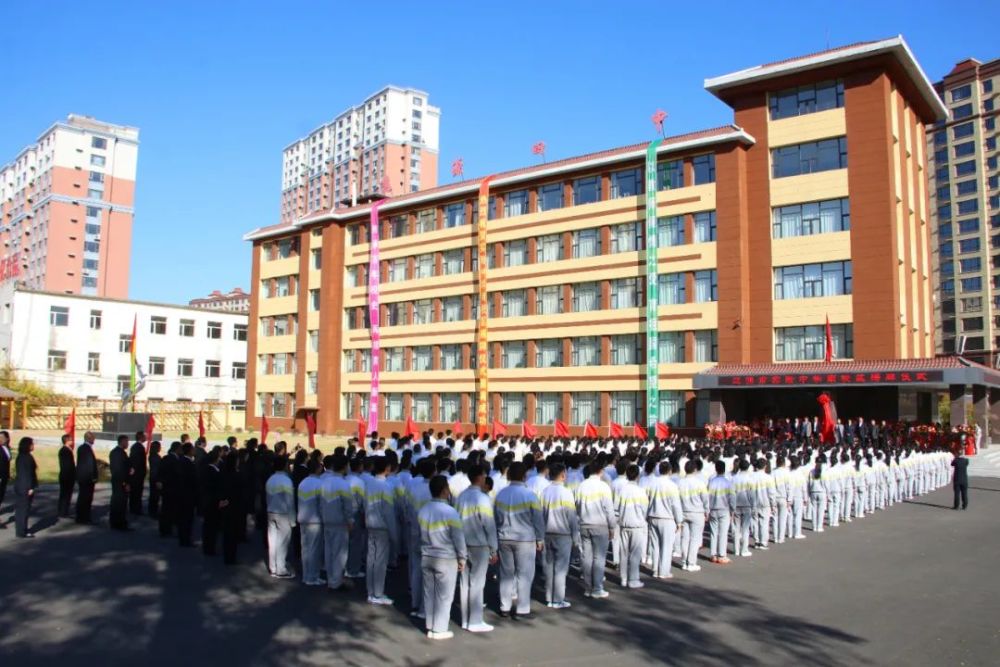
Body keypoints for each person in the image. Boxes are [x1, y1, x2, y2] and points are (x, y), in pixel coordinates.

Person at [418, 475, 467, 640]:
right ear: (445, 490)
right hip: (445, 557)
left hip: (426, 554)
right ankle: (440, 629)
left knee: (429, 593)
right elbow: (458, 537)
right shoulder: (450, 512)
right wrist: (462, 557)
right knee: (444, 596)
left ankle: (430, 625)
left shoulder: (423, 510)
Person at [495, 461, 545, 619]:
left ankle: (505, 606)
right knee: (524, 575)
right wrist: (540, 538)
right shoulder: (529, 495)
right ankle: (522, 609)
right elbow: (538, 519)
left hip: (504, 538)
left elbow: (496, 517)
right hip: (524, 539)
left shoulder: (501, 494)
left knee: (506, 573)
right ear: (525, 476)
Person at [455, 463, 497, 633]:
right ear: (479, 477)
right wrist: (494, 548)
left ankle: (466, 619)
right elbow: (489, 524)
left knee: (465, 582)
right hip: (479, 545)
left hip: (463, 542)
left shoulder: (461, 497)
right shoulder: (482, 498)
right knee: (478, 583)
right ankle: (475, 620)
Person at [540, 462, 580, 608]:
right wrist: (576, 537)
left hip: (546, 534)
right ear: (563, 475)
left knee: (549, 568)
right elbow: (571, 517)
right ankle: (558, 599)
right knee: (561, 569)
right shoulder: (566, 492)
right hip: (563, 534)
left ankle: (549, 597)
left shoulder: (544, 492)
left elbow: (540, 515)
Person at [575, 463, 617, 598]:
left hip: (584, 524)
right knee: (599, 558)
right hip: (600, 525)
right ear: (600, 471)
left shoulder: (581, 486)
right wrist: (612, 527)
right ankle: (597, 588)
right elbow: (609, 510)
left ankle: (588, 587)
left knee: (586, 557)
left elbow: (576, 506)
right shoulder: (604, 487)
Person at [364, 457, 398, 605]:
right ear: (387, 469)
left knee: (371, 558)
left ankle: (371, 591)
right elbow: (388, 512)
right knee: (380, 561)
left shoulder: (369, 483)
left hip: (370, 524)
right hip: (382, 527)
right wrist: (394, 533)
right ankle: (378, 593)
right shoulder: (386, 487)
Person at [320, 454, 354, 591]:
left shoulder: (325, 481)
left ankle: (331, 579)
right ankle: (336, 581)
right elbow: (347, 506)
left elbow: (321, 503)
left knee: (329, 551)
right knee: (340, 553)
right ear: (345, 466)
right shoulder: (343, 484)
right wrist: (350, 520)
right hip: (339, 522)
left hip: (327, 520)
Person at [646, 461, 684, 578]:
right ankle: (663, 571)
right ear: (670, 471)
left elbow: (646, 500)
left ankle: (656, 569)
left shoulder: (652, 484)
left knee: (655, 544)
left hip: (653, 515)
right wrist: (679, 521)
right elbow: (675, 505)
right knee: (666, 546)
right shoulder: (672, 486)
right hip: (667, 518)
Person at [265, 456, 296, 578]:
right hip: (283, 513)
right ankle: (281, 568)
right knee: (283, 542)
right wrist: (292, 519)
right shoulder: (286, 480)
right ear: (285, 466)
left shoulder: (270, 479)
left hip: (271, 511)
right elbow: (290, 501)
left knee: (272, 541)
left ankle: (273, 566)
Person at [677, 460, 709, 572]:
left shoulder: (680, 483)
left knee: (684, 538)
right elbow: (705, 499)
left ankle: (684, 561)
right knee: (695, 538)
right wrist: (707, 511)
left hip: (683, 511)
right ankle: (691, 562)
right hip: (697, 512)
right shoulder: (700, 483)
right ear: (695, 470)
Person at [297, 459, 325, 585]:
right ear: (318, 469)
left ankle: (306, 574)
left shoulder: (303, 482)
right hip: (314, 519)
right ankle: (312, 576)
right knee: (314, 549)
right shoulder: (319, 484)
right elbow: (322, 503)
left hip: (303, 518)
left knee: (306, 548)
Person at [707, 460, 735, 564]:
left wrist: (707, 509)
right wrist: (732, 509)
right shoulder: (728, 482)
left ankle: (713, 554)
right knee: (723, 532)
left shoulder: (711, 482)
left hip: (713, 509)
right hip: (724, 509)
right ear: (724, 469)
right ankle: (722, 555)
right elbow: (732, 497)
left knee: (714, 532)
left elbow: (707, 497)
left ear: (716, 469)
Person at [220, 451, 243, 564]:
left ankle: (227, 555)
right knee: (232, 534)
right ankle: (231, 557)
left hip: (225, 506)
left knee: (227, 533)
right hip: (234, 507)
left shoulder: (222, 473)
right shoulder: (237, 475)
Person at [13, 437, 38, 538]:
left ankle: (21, 529)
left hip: (20, 486)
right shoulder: (26, 458)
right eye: (32, 444)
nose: (33, 446)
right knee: (23, 510)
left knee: (21, 509)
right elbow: (26, 474)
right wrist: (29, 488)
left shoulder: (22, 456)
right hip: (24, 487)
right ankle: (22, 531)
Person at [176, 442, 198, 547]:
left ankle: (183, 538)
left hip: (182, 494)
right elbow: (192, 479)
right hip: (187, 494)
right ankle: (185, 539)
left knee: (184, 518)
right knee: (187, 518)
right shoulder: (187, 463)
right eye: (193, 449)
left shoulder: (181, 461)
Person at [202, 449, 223, 556]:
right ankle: (210, 547)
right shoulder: (213, 471)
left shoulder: (207, 469)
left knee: (208, 525)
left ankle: (208, 546)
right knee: (211, 526)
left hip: (207, 500)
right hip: (212, 502)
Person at [75, 432, 98, 525]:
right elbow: (89, 464)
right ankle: (83, 517)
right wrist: (93, 476)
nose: (94, 440)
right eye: (93, 438)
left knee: (83, 497)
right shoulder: (86, 449)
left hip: (82, 477)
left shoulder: (82, 448)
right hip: (87, 478)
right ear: (89, 438)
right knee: (86, 498)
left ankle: (82, 516)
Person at [158, 442, 180, 536]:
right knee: (169, 509)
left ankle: (164, 528)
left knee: (165, 508)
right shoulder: (174, 460)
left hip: (166, 487)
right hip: (171, 487)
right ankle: (167, 529)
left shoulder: (165, 458)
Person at [109, 435, 131, 531]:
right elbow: (119, 470)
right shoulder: (119, 453)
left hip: (117, 481)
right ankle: (119, 522)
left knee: (117, 502)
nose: (127, 444)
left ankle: (116, 521)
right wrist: (125, 482)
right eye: (126, 442)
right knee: (120, 503)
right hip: (120, 481)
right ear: (122, 442)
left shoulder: (117, 452)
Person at [128, 430, 147, 516]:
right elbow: (137, 461)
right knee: (136, 491)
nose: (145, 437)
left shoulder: (136, 447)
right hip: (137, 473)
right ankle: (135, 508)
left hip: (138, 473)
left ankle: (135, 508)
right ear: (141, 437)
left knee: (136, 492)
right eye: (144, 436)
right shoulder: (138, 447)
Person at [57, 434, 76, 518]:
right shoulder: (65, 451)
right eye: (71, 440)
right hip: (66, 475)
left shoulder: (68, 450)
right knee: (65, 493)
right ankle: (63, 511)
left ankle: (63, 509)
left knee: (67, 493)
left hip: (67, 475)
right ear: (67, 441)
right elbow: (67, 465)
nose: (72, 441)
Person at [147, 441, 162, 518]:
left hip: (152, 477)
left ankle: (152, 510)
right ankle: (153, 512)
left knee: (153, 495)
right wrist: (158, 480)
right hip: (155, 477)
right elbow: (157, 469)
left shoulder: (152, 456)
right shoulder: (156, 457)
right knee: (155, 496)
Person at [0, 431, 11, 528]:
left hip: (4, 476)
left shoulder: (7, 448)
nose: (1, 439)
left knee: (1, 495)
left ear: (7, 438)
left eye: (3, 437)